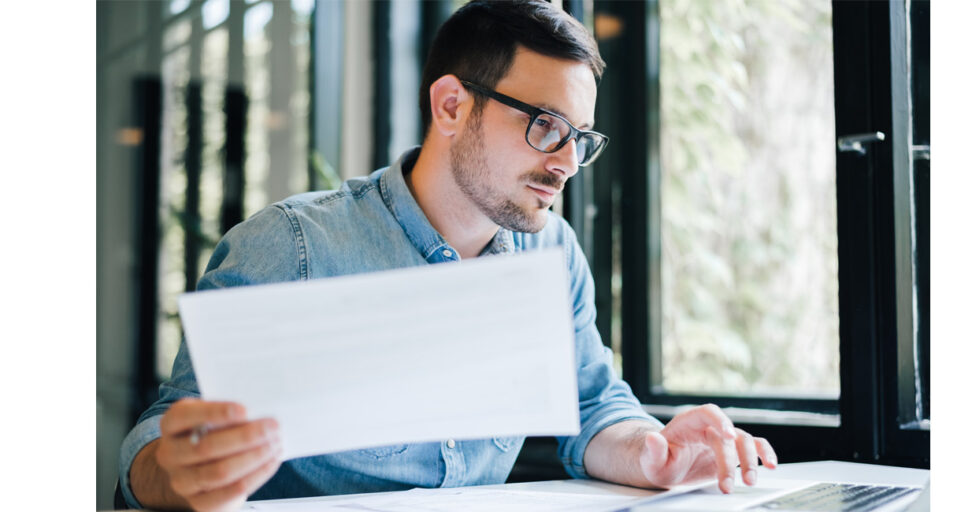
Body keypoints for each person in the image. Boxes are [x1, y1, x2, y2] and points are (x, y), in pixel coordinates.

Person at [118, 1, 777, 510]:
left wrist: (654, 452)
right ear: (452, 105)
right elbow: (156, 445)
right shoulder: (294, 247)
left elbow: (592, 405)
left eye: (579, 137)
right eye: (546, 125)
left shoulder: (551, 251)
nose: (568, 162)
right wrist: (177, 474)